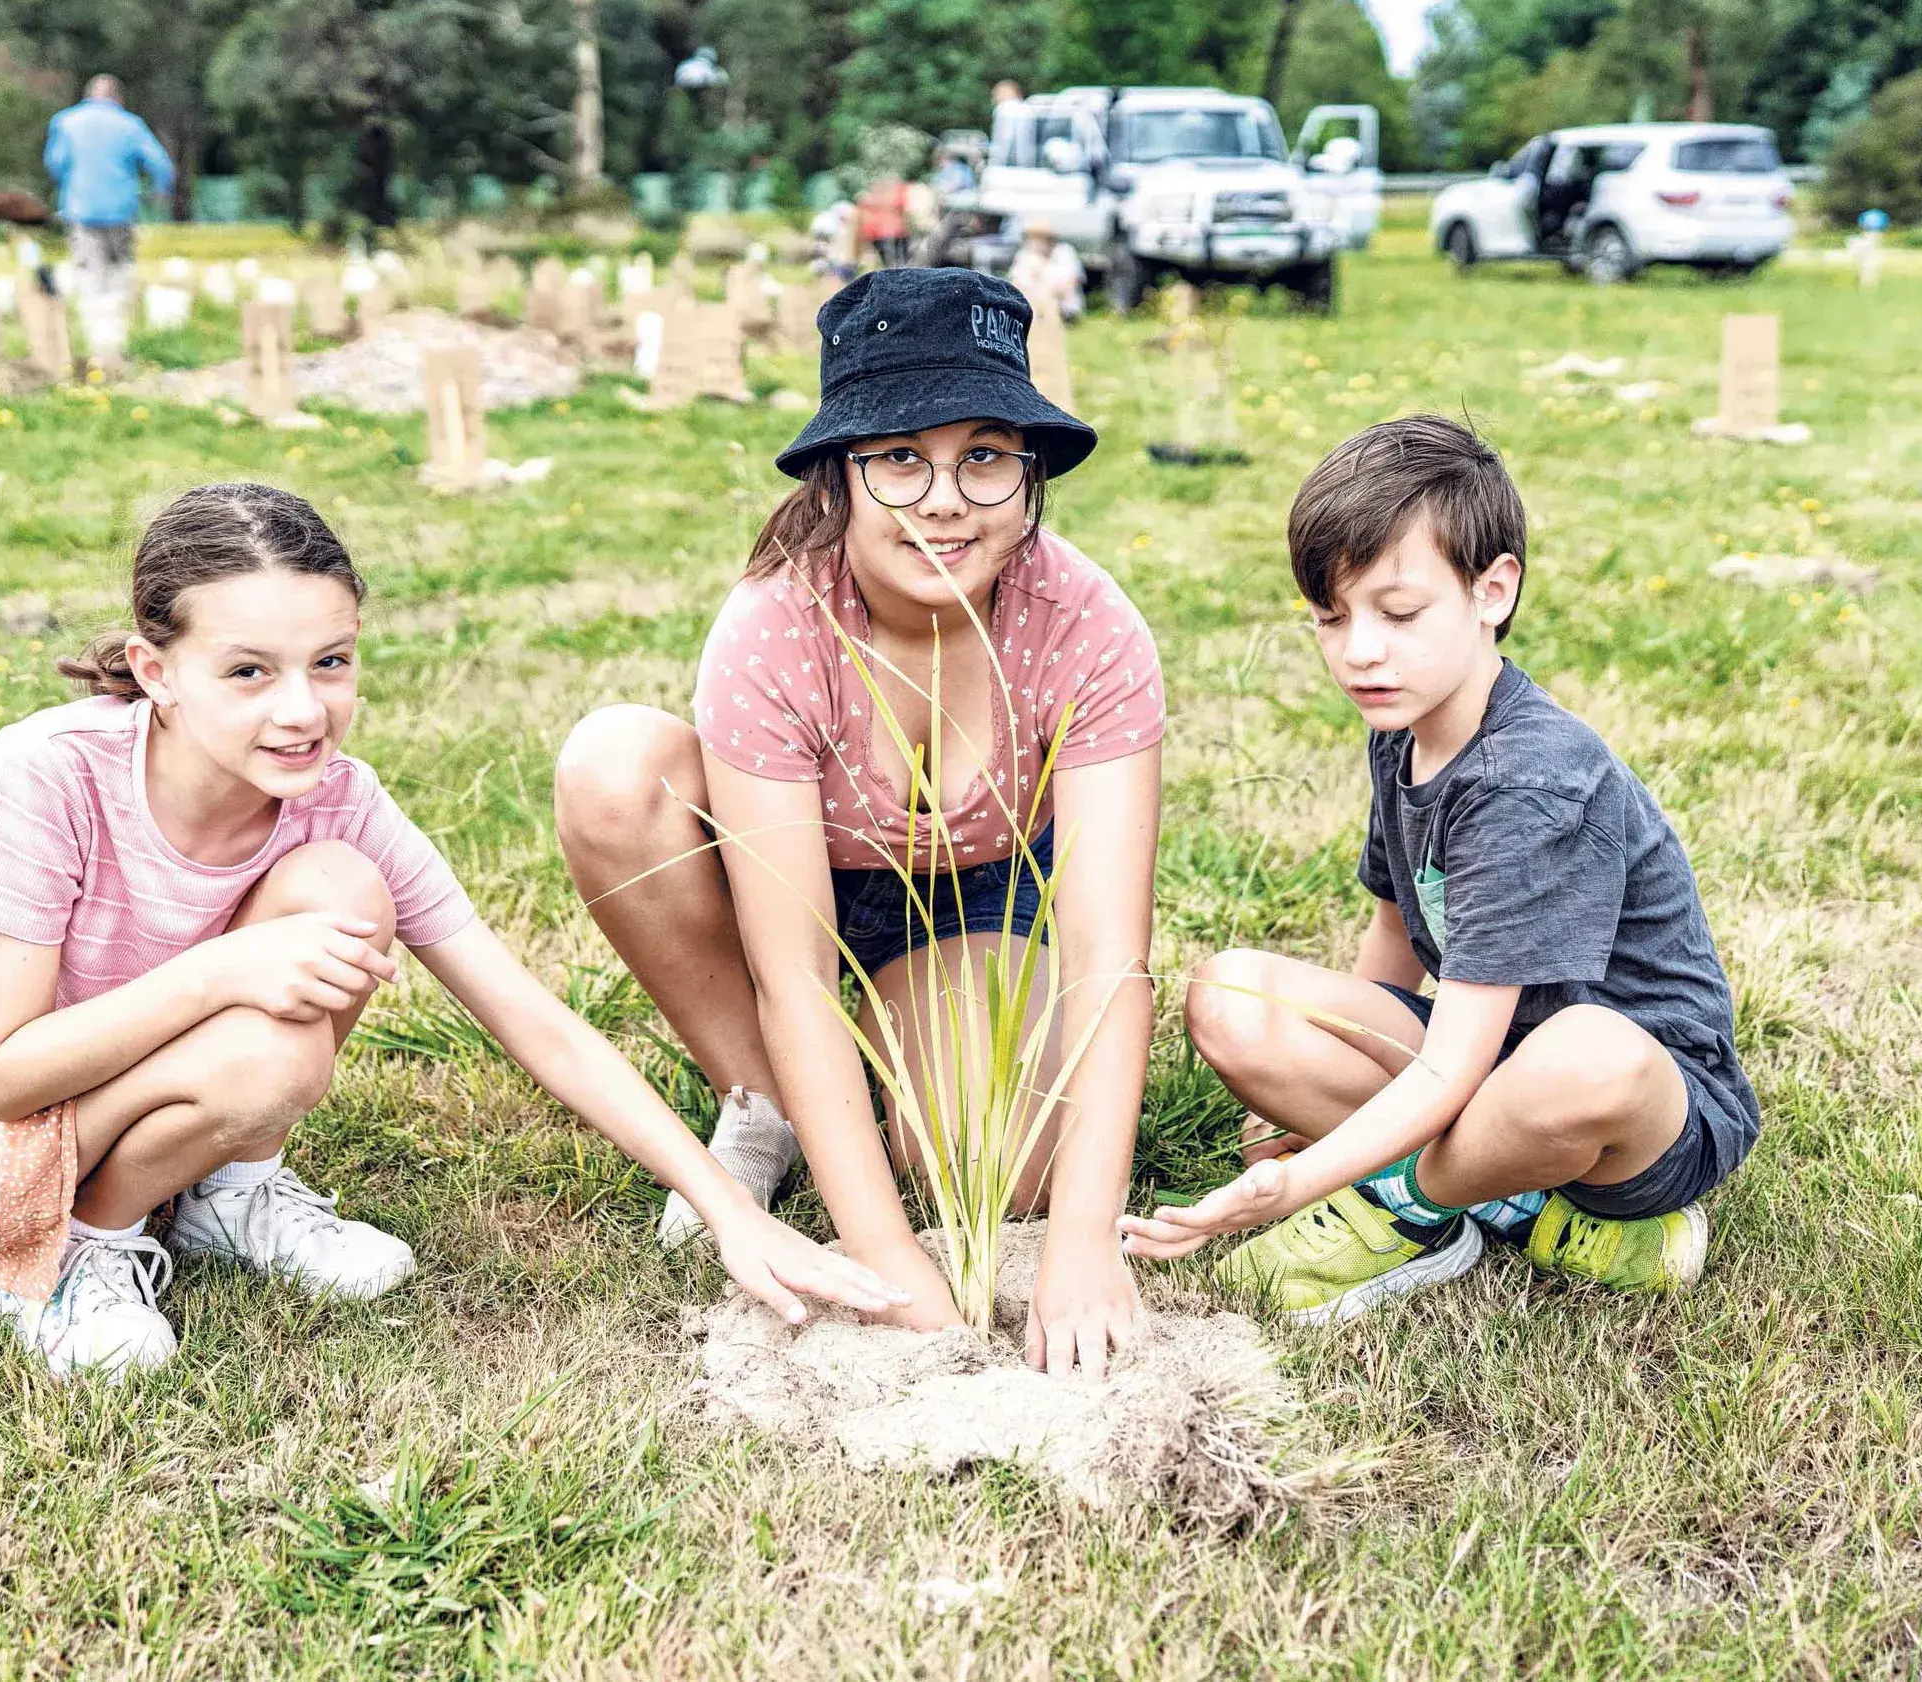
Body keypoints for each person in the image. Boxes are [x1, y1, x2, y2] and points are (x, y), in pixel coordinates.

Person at [0, 483, 901, 1381]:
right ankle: (70, 1254)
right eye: (248, 672)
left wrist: (732, 1209)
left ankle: (222, 1191)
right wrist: (225, 968)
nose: (301, 709)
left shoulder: (337, 798)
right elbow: (4, 1073)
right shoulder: (48, 773)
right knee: (263, 1056)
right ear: (156, 671)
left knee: (342, 884)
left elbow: (533, 1019)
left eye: (330, 661)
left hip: (146, 1066)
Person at [554, 270, 1164, 1376]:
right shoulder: (776, 628)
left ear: (1031, 472)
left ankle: (893, 1069)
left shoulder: (1087, 627)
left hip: (979, 894)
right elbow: (791, 969)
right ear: (841, 474)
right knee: (612, 768)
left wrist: (1080, 1236)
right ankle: (767, 1103)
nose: (944, 500)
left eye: (985, 455)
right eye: (900, 459)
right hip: (795, 888)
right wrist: (883, 1252)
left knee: (990, 1167)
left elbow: (1111, 957)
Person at [1118, 417, 1759, 1321]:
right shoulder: (1405, 726)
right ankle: (1517, 1207)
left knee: (1584, 1054)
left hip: (1634, 1114)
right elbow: (1393, 936)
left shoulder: (1529, 778)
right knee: (1232, 998)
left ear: (1492, 591)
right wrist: (1304, 1091)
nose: (1359, 651)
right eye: (1329, 619)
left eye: (1398, 613)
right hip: (1482, 1057)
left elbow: (1452, 1068)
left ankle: (1405, 1207)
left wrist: (1303, 1179)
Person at [42, 76, 173, 370]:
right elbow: (160, 164)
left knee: (89, 274)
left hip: (81, 210)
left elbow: (55, 163)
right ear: (118, 98)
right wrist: (158, 192)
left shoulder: (65, 122)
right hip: (120, 212)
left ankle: (95, 342)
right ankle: (114, 343)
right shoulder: (130, 125)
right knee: (118, 273)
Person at [1007, 219, 1085, 321]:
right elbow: (1015, 286)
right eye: (1031, 237)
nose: (1034, 242)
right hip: (1030, 308)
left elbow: (1067, 287)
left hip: (1063, 309)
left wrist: (1041, 271)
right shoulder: (1023, 256)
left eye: (1039, 237)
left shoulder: (1065, 253)